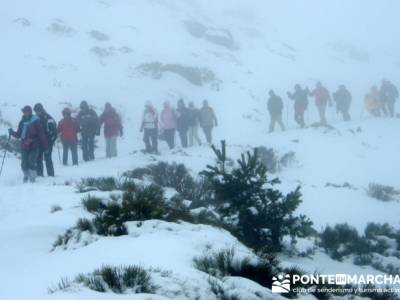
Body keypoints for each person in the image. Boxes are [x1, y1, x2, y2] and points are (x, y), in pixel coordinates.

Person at [9, 106, 48, 183]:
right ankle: (26, 176)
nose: (25, 113)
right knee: (24, 163)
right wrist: (12, 132)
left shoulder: (36, 121)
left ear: (30, 112)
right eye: (24, 112)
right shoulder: (22, 122)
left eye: (26, 111)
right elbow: (19, 134)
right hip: (24, 145)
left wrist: (45, 146)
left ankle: (33, 178)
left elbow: (41, 135)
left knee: (31, 161)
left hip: (34, 145)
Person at [33, 103, 57, 177]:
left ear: (41, 109)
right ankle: (40, 174)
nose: (37, 112)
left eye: (38, 110)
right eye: (36, 111)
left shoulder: (48, 118)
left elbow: (54, 131)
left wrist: (51, 141)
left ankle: (51, 175)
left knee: (47, 157)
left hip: (48, 141)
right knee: (39, 158)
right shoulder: (35, 118)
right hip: (39, 141)